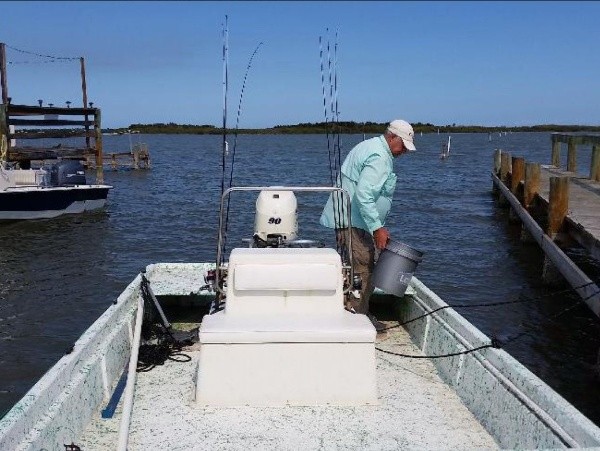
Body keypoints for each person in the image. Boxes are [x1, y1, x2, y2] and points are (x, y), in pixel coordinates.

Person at [319, 119, 416, 332]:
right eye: (403, 146)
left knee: (355, 268)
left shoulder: (371, 146)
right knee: (364, 270)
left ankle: (357, 312)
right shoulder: (380, 156)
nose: (404, 152)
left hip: (351, 220)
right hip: (355, 223)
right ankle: (358, 322)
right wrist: (377, 228)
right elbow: (363, 195)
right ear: (392, 137)